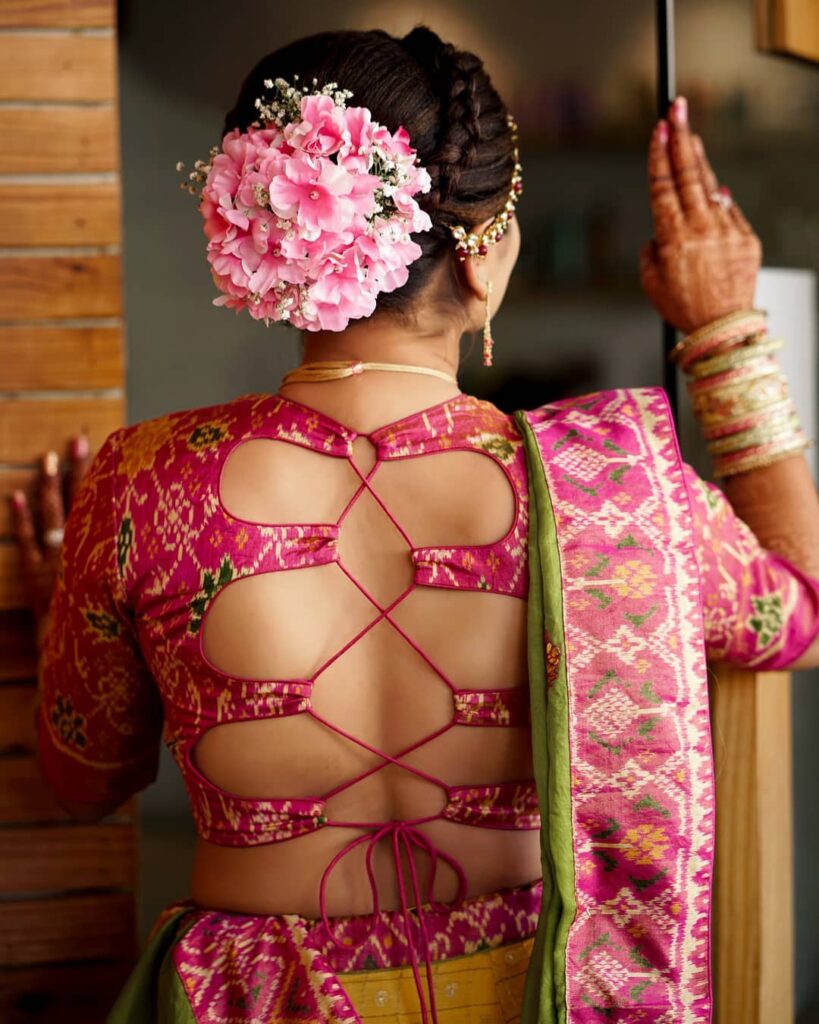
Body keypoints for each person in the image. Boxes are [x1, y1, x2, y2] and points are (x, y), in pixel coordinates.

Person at [9, 25, 819, 1024]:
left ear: (269, 241)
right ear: (482, 259)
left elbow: (83, 780)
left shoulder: (139, 484)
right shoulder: (609, 491)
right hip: (530, 997)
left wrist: (74, 613)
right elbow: (798, 605)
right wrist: (723, 329)